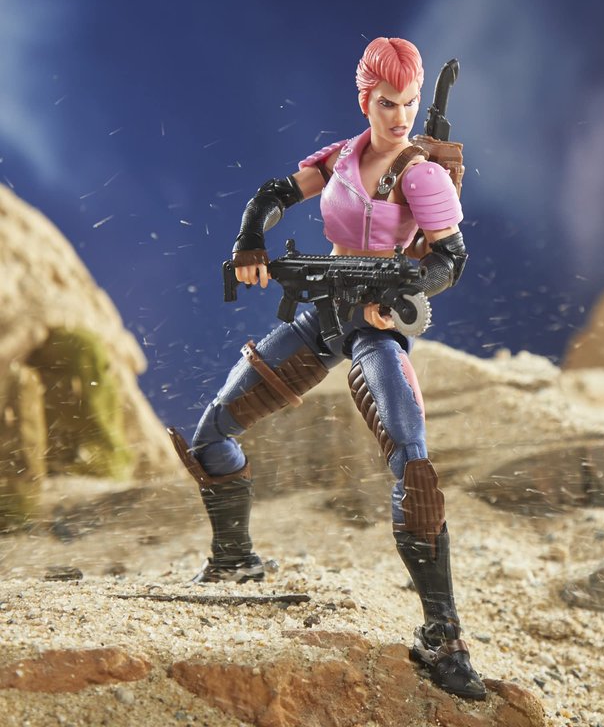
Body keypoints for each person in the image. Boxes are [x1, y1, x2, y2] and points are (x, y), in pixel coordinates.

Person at [168, 37, 485, 700]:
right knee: (211, 433)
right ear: (366, 101)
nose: (401, 117)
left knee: (414, 469)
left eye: (410, 103)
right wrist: (250, 241)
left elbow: (450, 259)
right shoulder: (342, 157)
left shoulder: (421, 175)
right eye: (388, 103)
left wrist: (402, 290)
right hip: (322, 317)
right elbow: (275, 192)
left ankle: (444, 633)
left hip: (375, 327)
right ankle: (234, 560)